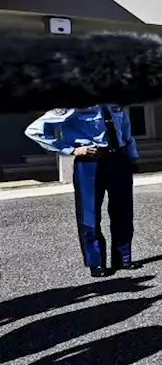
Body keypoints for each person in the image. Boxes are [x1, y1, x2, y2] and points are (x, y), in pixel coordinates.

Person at [25, 104, 140, 278]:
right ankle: (96, 262)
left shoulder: (114, 101)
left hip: (118, 159)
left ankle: (123, 258)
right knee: (90, 213)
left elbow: (125, 129)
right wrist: (71, 149)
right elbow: (34, 130)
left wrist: (132, 156)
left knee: (123, 210)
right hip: (90, 161)